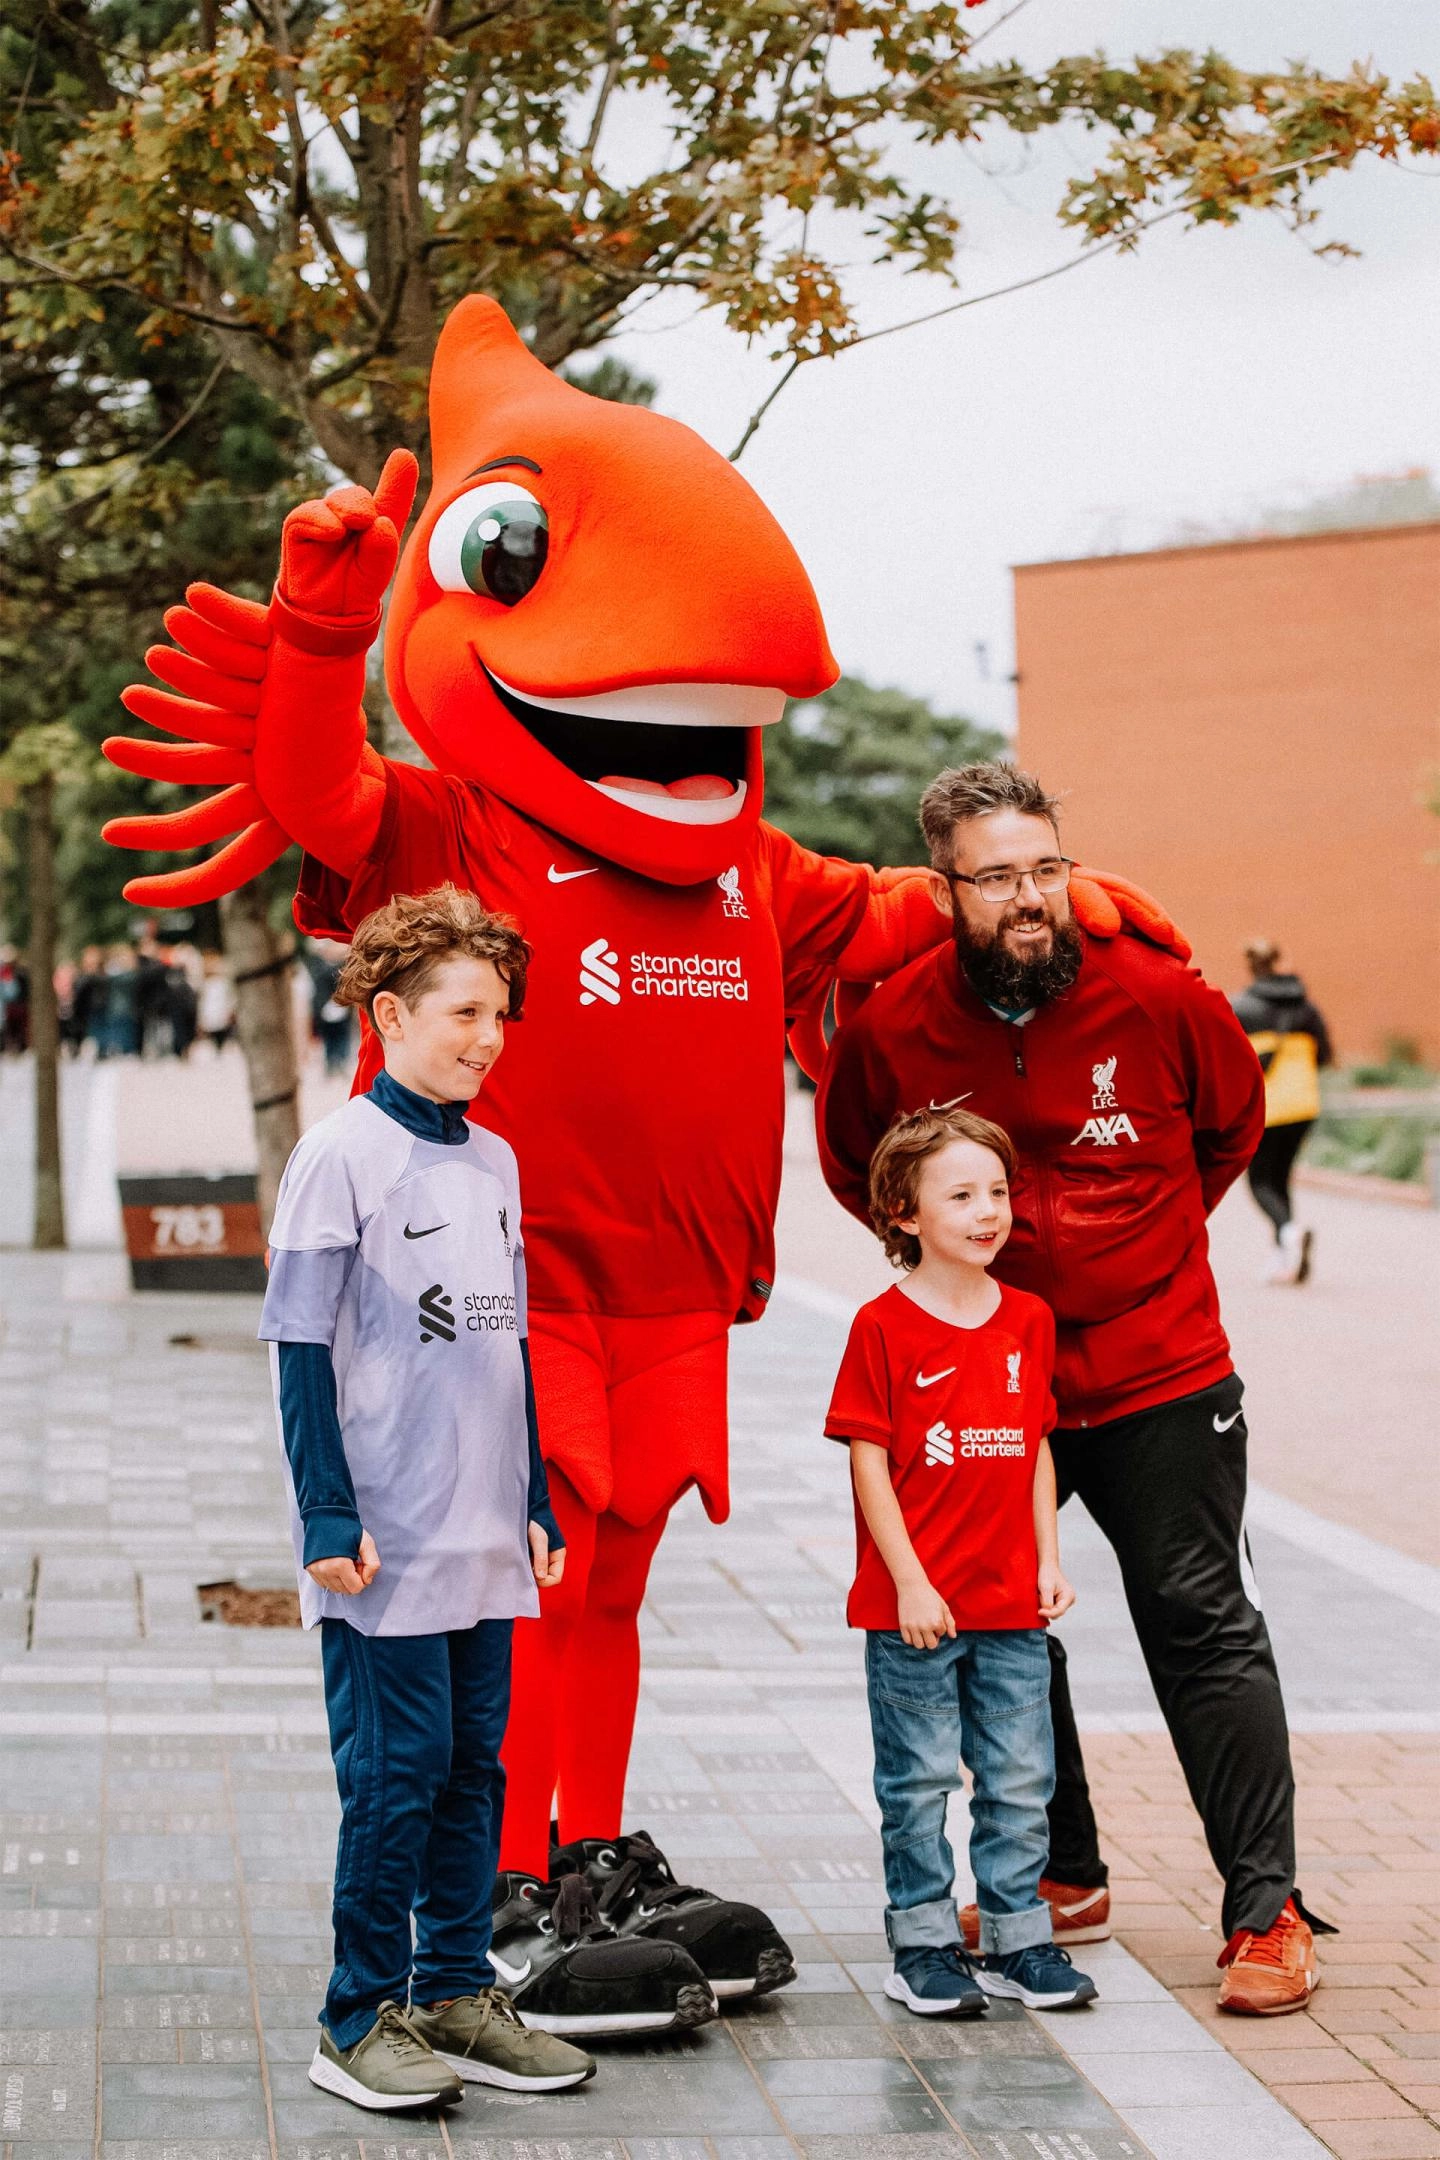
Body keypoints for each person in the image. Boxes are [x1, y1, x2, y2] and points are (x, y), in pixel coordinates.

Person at [818, 761, 1329, 2017]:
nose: (1031, 896)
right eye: (997, 877)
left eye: (1046, 867)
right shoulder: (892, 1028)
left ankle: (1267, 1912)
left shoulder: (1161, 999)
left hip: (1161, 1370)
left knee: (1204, 1627)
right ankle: (1063, 1876)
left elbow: (1232, 1132)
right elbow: (859, 1164)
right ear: (947, 888)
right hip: (990, 1382)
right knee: (1006, 1631)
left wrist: (1138, 1255)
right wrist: (960, 1292)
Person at [257, 885, 596, 2112]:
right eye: (464, 1012)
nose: (488, 1036)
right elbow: (297, 1347)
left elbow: (507, 1345)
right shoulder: (340, 1154)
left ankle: (455, 1994)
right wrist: (326, 1515)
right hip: (383, 1538)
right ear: (391, 1014)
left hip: (483, 1531)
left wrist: (537, 1492)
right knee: (393, 1777)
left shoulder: (497, 1158)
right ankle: (356, 2016)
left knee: (473, 1772)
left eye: (500, 1013)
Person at [827, 1102, 1097, 2019]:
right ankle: (925, 1944)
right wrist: (908, 1578)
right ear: (903, 1212)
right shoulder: (881, 1327)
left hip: (1011, 1606)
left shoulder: (1028, 1318)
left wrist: (1048, 1558)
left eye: (997, 1192)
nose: (989, 1212)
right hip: (917, 1611)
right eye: (962, 1195)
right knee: (917, 1782)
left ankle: (1020, 1941)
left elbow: (1034, 1446)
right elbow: (868, 1459)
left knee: (1022, 1779)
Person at [1231, 939, 1332, 1285]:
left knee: (1260, 1180)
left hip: (1266, 1108)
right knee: (1281, 1178)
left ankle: (1288, 1232)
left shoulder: (1241, 1007)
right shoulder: (1307, 1008)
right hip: (1304, 1105)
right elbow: (1324, 1055)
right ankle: (1284, 1254)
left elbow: (1228, 1060)